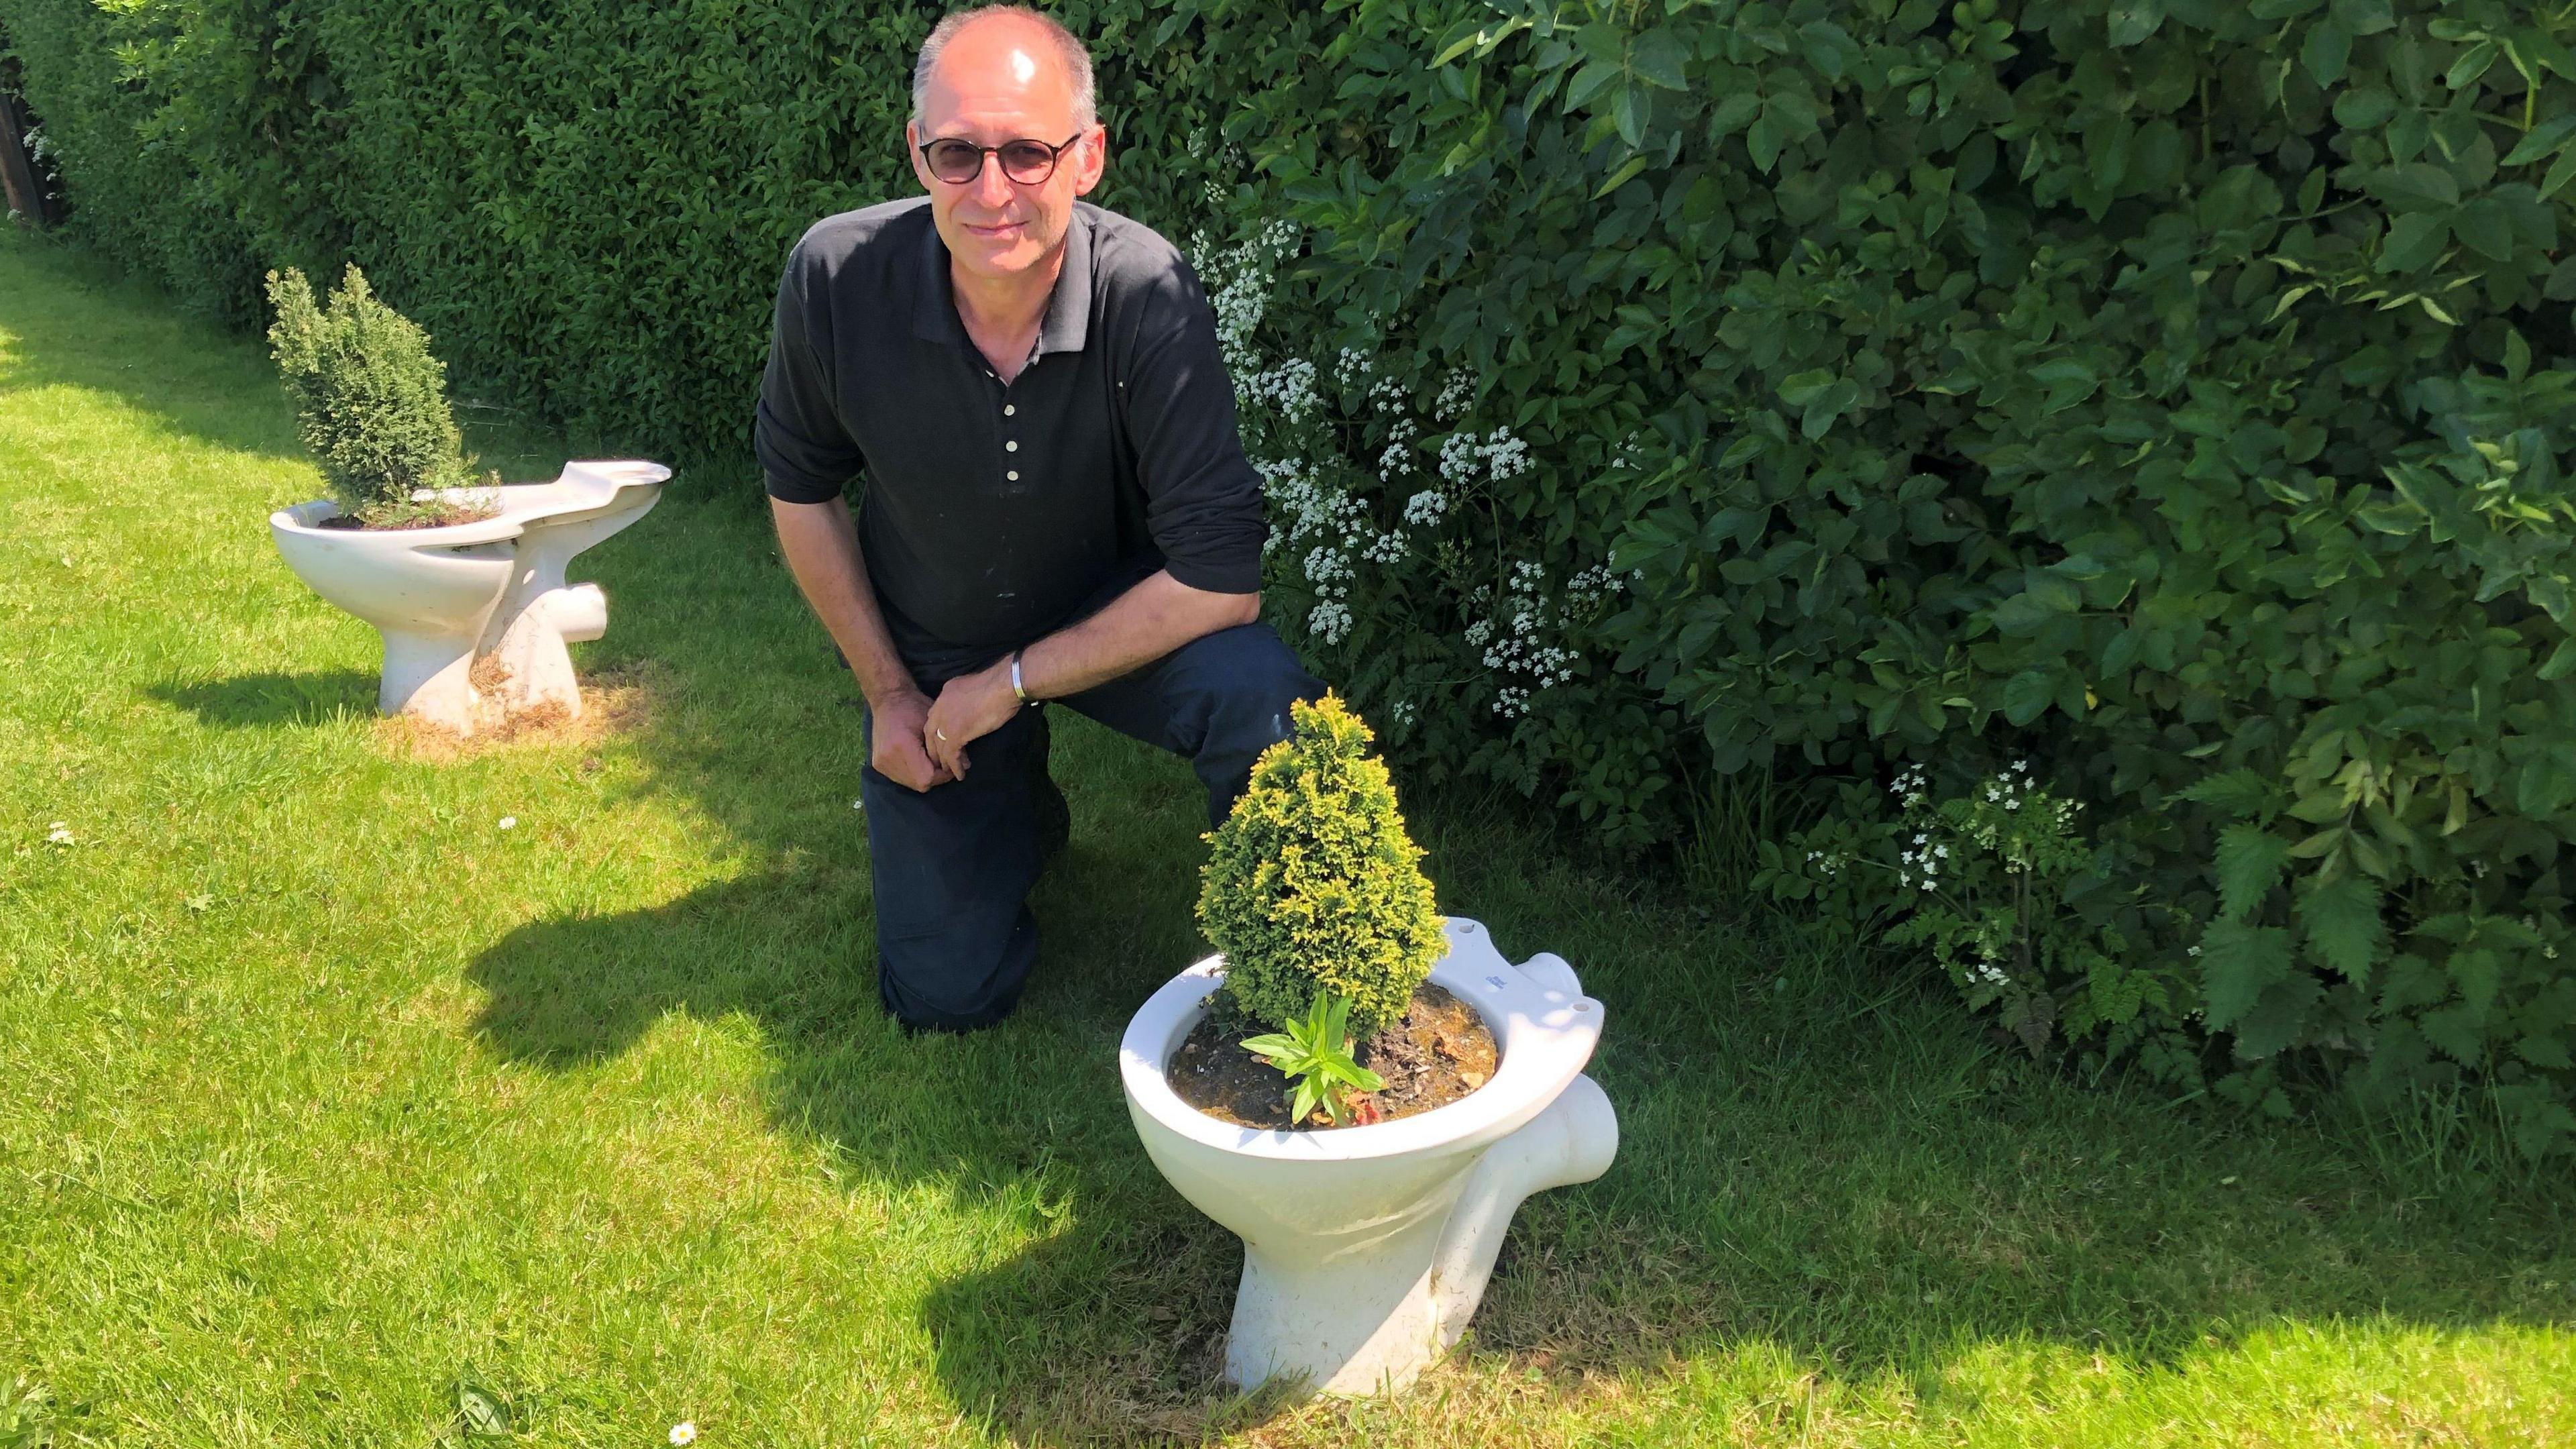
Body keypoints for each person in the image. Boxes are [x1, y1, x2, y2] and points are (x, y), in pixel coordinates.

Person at [755, 4, 1324, 1032]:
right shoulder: (835, 277)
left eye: (1027, 152)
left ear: (1088, 156)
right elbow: (801, 490)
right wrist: (888, 692)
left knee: (1264, 698)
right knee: (944, 999)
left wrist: (1013, 683)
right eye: (958, 154)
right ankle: (1014, 810)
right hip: (933, 632)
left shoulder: (1146, 290)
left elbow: (1219, 581)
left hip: (1121, 614)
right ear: (916, 155)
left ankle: (1303, 969)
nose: (992, 190)